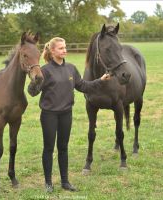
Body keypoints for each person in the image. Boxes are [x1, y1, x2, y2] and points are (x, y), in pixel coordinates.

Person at [28, 37, 111, 193]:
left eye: (65, 47)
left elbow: (83, 86)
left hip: (66, 114)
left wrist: (100, 80)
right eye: (60, 48)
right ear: (52, 51)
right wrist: (34, 81)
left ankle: (65, 182)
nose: (64, 50)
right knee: (48, 148)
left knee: (63, 148)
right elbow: (32, 92)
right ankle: (48, 183)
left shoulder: (71, 69)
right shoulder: (44, 71)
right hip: (49, 115)